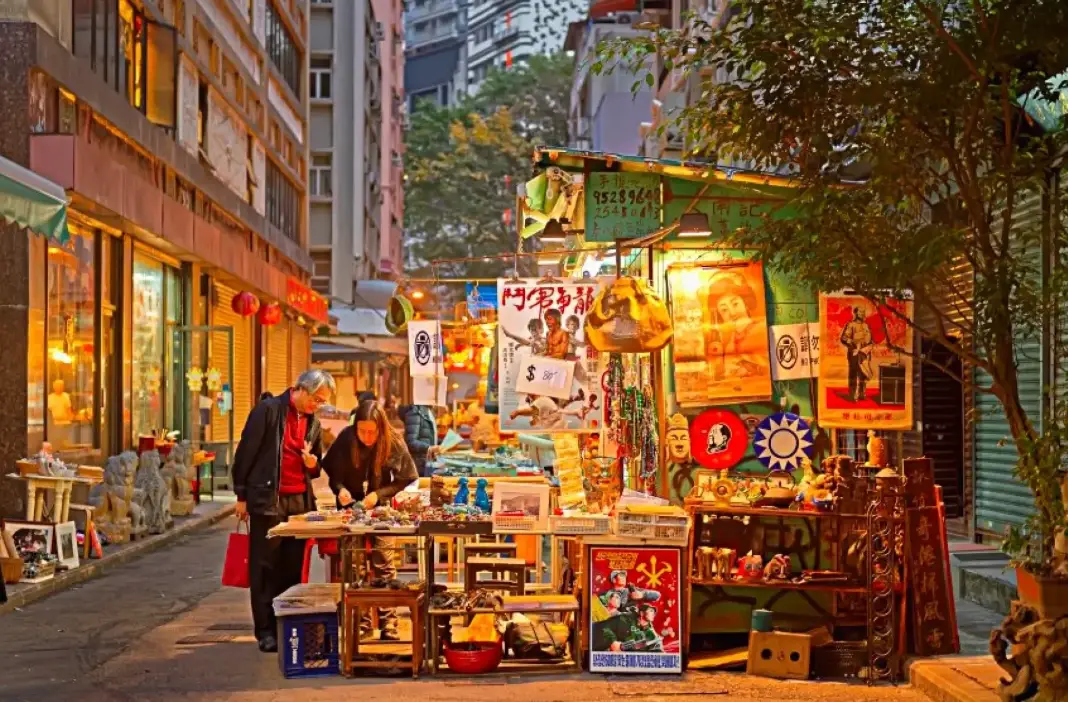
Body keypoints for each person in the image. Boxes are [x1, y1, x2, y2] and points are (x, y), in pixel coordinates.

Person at [232, 369, 334, 654]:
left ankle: (286, 624)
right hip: (268, 499)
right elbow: (245, 453)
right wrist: (242, 495)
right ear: (300, 390)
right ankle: (265, 630)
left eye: (322, 402)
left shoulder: (312, 422)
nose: (318, 405)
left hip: (299, 501)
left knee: (292, 567)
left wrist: (312, 463)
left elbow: (316, 467)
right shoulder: (268, 411)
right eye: (316, 399)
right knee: (265, 567)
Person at [321, 399, 418, 641]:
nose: (366, 436)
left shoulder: (392, 440)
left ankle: (388, 623)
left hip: (380, 510)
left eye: (371, 431)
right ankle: (361, 623)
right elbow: (333, 474)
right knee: (353, 565)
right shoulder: (346, 438)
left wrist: (379, 495)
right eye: (362, 431)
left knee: (383, 564)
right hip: (350, 510)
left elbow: (406, 477)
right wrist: (339, 490)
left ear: (380, 428)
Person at [593, 604, 674, 652]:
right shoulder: (625, 619)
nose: (653, 614)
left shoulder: (650, 631)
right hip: (595, 640)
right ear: (642, 613)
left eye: (654, 612)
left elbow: (657, 649)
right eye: (650, 611)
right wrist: (612, 642)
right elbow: (605, 627)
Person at [840, 306, 874, 402]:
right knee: (853, 375)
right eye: (861, 312)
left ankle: (862, 394)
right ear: (856, 313)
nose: (863, 314)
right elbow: (844, 338)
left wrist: (869, 347)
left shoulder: (866, 325)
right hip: (854, 354)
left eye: (864, 312)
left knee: (863, 374)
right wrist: (853, 342)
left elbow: (871, 340)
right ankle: (853, 395)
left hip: (864, 354)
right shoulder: (851, 325)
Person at [399, 404, 440, 477]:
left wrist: (441, 443)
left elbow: (428, 436)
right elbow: (411, 442)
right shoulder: (415, 413)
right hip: (419, 466)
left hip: (428, 463)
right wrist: (429, 448)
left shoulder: (429, 411)